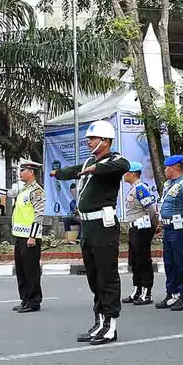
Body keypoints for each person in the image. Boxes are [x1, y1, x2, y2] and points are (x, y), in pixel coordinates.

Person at [51, 119, 132, 345]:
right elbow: (76, 170)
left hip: (104, 226)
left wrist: (97, 168)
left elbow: (123, 165)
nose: (88, 142)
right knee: (93, 276)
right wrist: (59, 173)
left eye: (93, 138)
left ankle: (111, 324)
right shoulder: (88, 161)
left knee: (107, 275)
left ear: (105, 141)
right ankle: (99, 320)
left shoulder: (114, 160)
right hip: (87, 227)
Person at [156, 155, 183, 311]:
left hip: (181, 228)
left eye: (166, 168)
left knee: (182, 262)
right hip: (168, 228)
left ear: (173, 168)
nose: (165, 170)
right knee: (169, 262)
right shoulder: (168, 185)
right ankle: (172, 293)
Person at [7, 159, 45, 312]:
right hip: (19, 236)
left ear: (31, 172)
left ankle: (34, 300)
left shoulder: (36, 191)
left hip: (30, 237)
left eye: (23, 170)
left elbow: (39, 214)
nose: (20, 173)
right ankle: (25, 299)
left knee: (31, 270)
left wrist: (33, 236)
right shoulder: (23, 190)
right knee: (21, 270)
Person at [122, 161, 159, 306]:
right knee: (135, 261)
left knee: (143, 260)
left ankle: (146, 292)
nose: (124, 175)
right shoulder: (133, 188)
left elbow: (151, 209)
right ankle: (136, 289)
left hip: (142, 228)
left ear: (132, 174)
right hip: (134, 228)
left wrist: (154, 225)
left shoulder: (141, 188)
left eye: (126, 172)